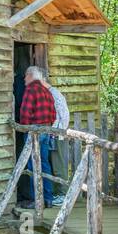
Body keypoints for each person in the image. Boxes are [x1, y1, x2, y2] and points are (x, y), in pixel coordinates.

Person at [16, 65, 57, 208]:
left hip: (34, 132)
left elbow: (25, 112)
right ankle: (48, 198)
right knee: (44, 164)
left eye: (26, 75)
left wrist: (24, 128)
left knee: (33, 166)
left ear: (31, 76)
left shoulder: (30, 89)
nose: (24, 78)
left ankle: (37, 201)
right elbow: (53, 114)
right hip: (46, 129)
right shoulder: (47, 91)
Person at [44, 76, 70, 205]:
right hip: (52, 133)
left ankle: (63, 194)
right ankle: (56, 193)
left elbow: (64, 115)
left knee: (58, 164)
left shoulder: (55, 94)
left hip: (57, 134)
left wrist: (57, 132)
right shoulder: (49, 93)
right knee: (53, 164)